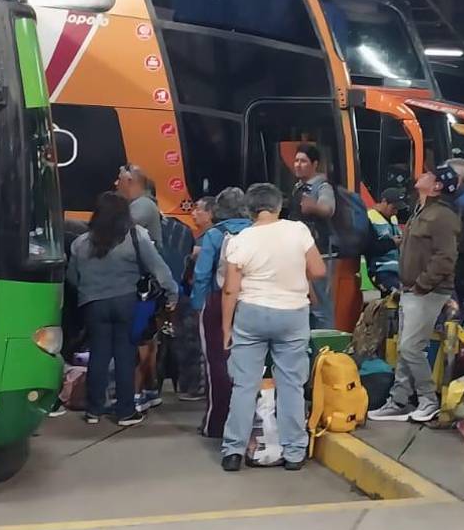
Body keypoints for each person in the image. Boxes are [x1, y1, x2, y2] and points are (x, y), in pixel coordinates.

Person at [220, 184, 327, 472]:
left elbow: (230, 289)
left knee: (245, 384)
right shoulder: (298, 231)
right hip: (292, 314)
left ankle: (233, 451)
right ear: (278, 206)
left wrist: (226, 328)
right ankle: (294, 453)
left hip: (251, 314)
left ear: (250, 209)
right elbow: (318, 271)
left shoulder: (240, 238)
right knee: (291, 383)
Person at [67, 192, 176, 427]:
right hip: (127, 302)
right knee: (126, 355)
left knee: (98, 355)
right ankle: (125, 411)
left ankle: (94, 410)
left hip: (93, 304)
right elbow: (158, 268)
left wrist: (90, 291)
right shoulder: (135, 237)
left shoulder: (80, 243)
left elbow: (72, 277)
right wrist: (172, 292)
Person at [367, 164, 462, 423]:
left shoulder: (442, 216)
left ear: (437, 186)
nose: (422, 174)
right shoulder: (421, 210)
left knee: (411, 348)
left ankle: (428, 400)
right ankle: (398, 401)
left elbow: (445, 257)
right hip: (411, 290)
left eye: (429, 174)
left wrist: (421, 284)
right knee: (405, 349)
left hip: (427, 292)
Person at [191, 187, 252, 438]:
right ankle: (249, 422)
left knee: (217, 360)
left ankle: (216, 424)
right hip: (251, 302)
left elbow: (202, 273)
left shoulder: (215, 235)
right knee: (250, 362)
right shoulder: (255, 232)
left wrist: (198, 305)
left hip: (218, 301)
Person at [289, 144, 336, 329]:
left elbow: (328, 208)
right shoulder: (298, 187)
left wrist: (314, 207)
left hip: (319, 253)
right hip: (299, 253)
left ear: (314, 164)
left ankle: (326, 348)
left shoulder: (323, 187)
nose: (298, 165)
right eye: (296, 160)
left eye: (303, 161)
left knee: (321, 305)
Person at [367, 187, 406, 295]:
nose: (395, 212)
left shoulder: (393, 219)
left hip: (398, 271)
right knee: (398, 295)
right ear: (384, 202)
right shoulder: (369, 218)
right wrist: (392, 243)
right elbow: (369, 247)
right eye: (393, 208)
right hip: (381, 270)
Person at [116, 164, 162, 241]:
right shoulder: (136, 203)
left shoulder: (144, 204)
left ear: (129, 181)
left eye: (119, 179)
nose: (116, 183)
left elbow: (119, 231)